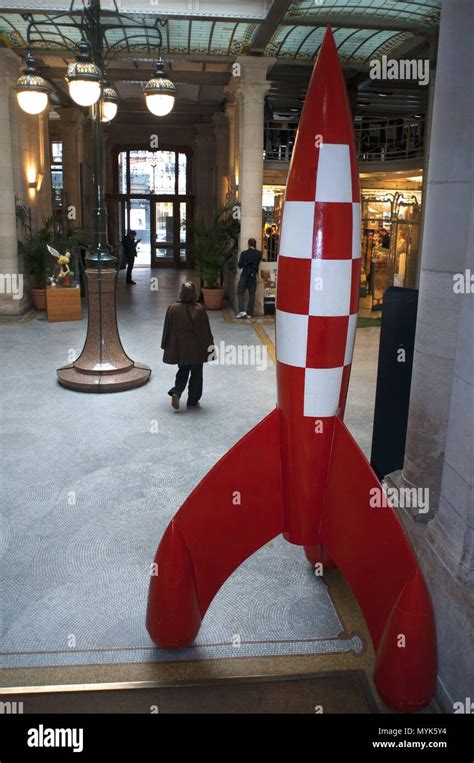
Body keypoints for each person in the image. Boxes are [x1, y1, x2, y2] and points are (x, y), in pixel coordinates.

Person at [162, 282, 214, 411]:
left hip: (180, 349)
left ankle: (177, 392)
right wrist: (210, 348)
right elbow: (204, 333)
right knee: (196, 374)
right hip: (196, 350)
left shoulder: (172, 308)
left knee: (182, 371)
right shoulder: (199, 310)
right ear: (194, 294)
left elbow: (167, 329)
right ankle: (192, 401)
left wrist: (165, 345)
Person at [236, 237, 262, 319]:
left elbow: (239, 265)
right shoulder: (259, 254)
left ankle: (242, 311)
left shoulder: (244, 253)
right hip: (253, 276)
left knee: (240, 293)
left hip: (244, 275)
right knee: (252, 294)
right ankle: (250, 313)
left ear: (248, 244)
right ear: (255, 244)